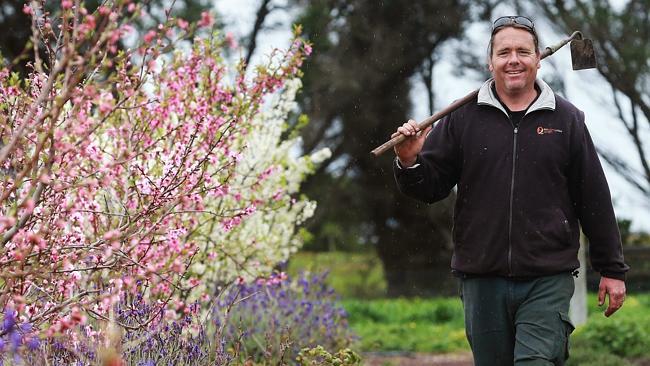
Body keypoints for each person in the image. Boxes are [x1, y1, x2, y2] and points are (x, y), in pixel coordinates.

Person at [392, 15, 629, 365]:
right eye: (504, 52)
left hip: (547, 276)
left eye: (523, 51)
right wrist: (409, 161)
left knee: (535, 361)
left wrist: (612, 269)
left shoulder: (566, 120)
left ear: (538, 58)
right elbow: (431, 188)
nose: (513, 59)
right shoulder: (462, 118)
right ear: (491, 62)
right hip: (481, 276)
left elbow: (592, 197)